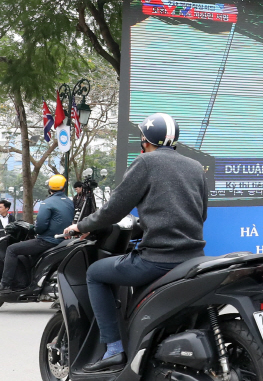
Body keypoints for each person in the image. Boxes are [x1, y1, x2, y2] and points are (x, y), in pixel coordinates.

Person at [63, 113, 208, 373]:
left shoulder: (145, 162)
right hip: (195, 258)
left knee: (95, 273)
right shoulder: (196, 167)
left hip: (159, 260)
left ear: (145, 139)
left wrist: (80, 226)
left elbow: (112, 211)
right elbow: (201, 214)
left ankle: (114, 349)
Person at [0, 175, 74, 292]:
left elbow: (40, 228)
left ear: (49, 188)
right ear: (64, 188)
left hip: (47, 241)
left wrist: (33, 228)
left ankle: (5, 284)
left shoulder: (47, 203)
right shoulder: (70, 202)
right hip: (62, 240)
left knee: (11, 249)